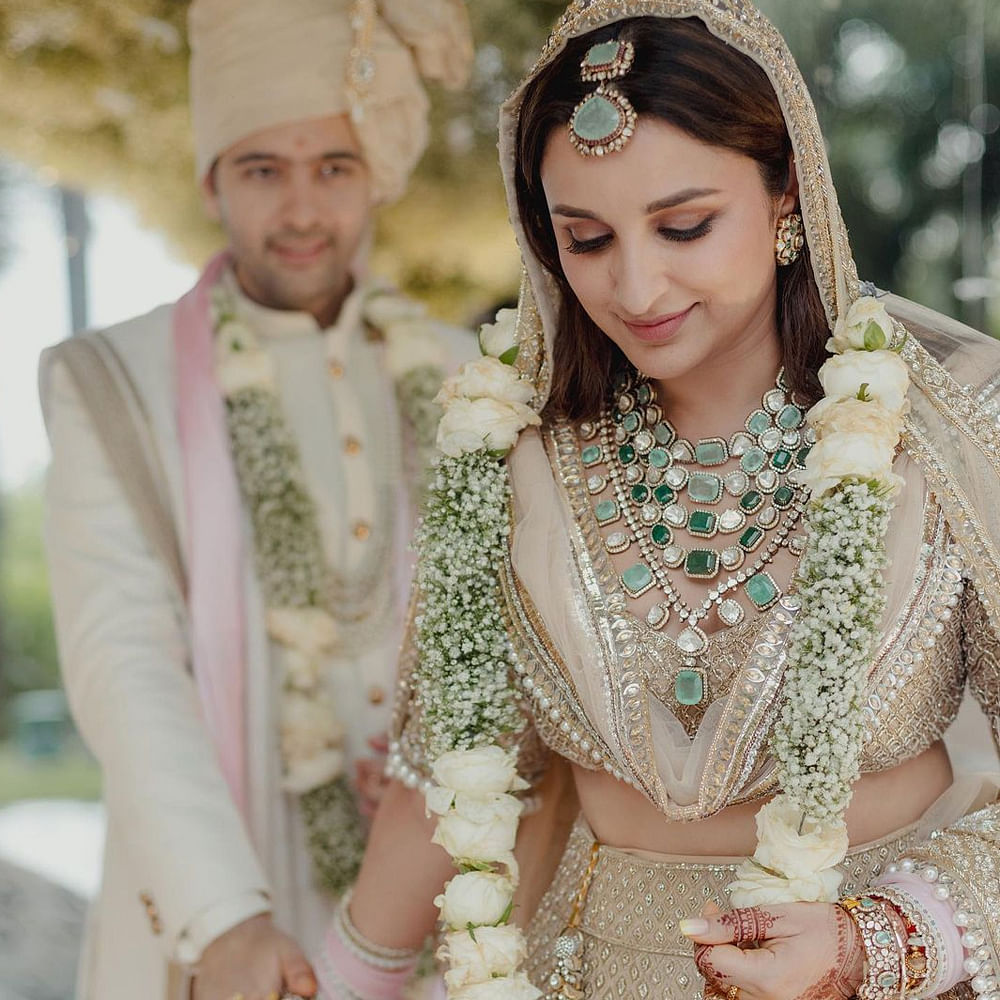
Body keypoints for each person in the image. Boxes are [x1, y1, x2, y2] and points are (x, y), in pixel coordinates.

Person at [308, 3, 1000, 1000]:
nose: (635, 284)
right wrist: (343, 976)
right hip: (588, 971)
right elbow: (448, 765)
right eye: (585, 238)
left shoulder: (942, 427)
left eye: (683, 225)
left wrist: (868, 942)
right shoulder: (510, 456)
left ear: (785, 200)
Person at [38, 1, 473, 998]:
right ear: (211, 181)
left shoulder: (461, 377)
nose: (303, 211)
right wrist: (224, 914)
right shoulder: (112, 383)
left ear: (375, 176)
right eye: (262, 170)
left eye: (333, 167)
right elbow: (124, 659)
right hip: (231, 881)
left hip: (438, 877)